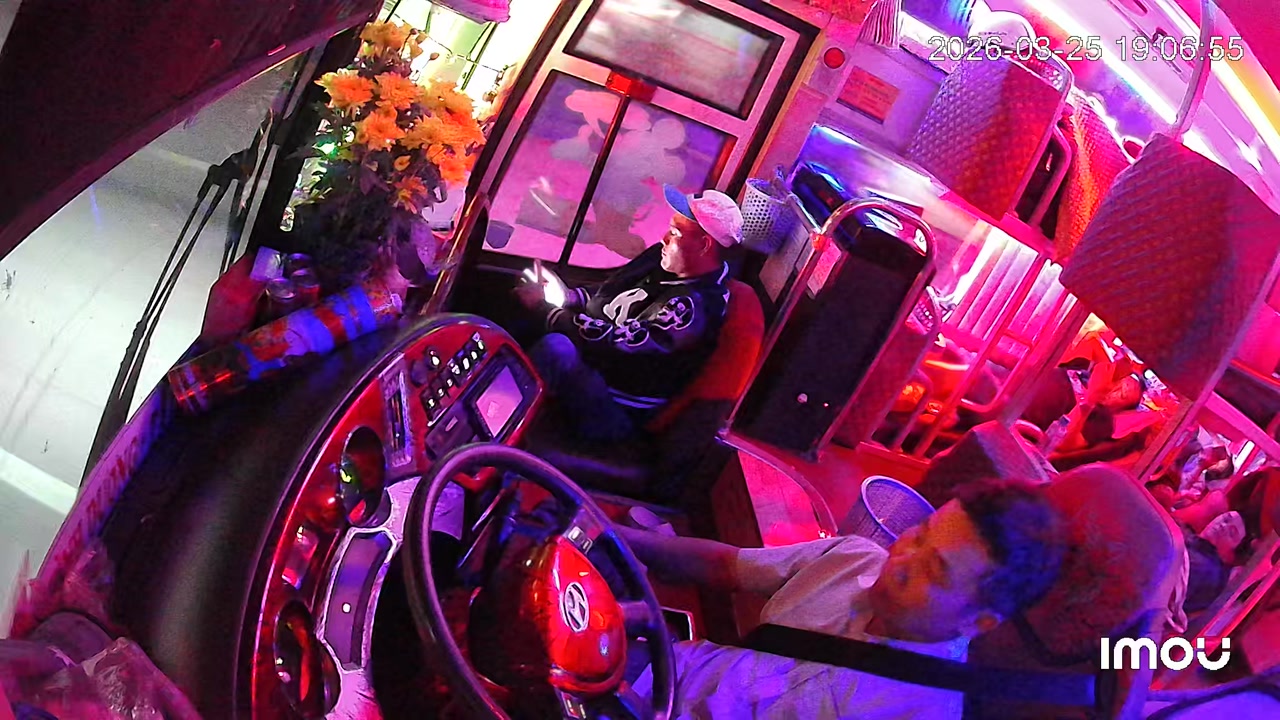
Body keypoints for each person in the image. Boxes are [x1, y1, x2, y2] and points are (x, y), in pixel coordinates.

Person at [620, 479, 1067, 719]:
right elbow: (725, 566)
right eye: (919, 534)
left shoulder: (921, 711)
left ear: (979, 621)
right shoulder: (853, 557)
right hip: (667, 673)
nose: (901, 559)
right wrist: (611, 534)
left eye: (934, 569)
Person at [514, 186, 744, 442]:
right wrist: (568, 297)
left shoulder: (695, 307)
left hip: (616, 406)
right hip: (597, 368)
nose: (664, 238)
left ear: (703, 245)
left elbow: (616, 344)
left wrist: (549, 312)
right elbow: (610, 293)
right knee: (522, 316)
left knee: (556, 348)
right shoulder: (662, 260)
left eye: (675, 233)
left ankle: (499, 437)